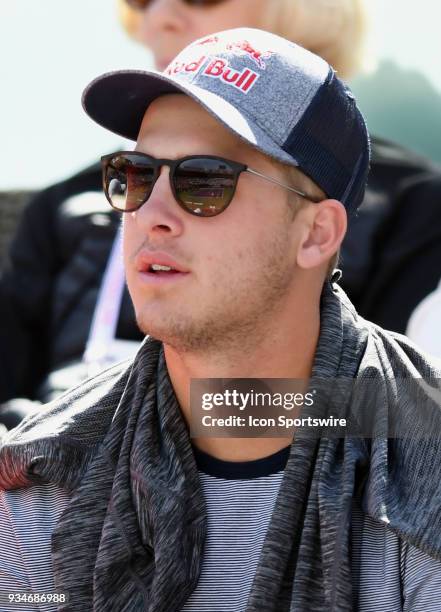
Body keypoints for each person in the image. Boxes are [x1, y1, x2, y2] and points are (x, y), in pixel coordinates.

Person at [1, 28, 441, 611]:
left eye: (204, 182)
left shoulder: (419, 469)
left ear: (316, 234)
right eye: (134, 175)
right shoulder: (39, 479)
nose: (151, 214)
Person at [0, 0, 438, 424]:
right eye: (132, 175)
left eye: (207, 179)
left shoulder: (411, 203)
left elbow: (415, 413)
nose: (161, 18)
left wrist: (92, 424)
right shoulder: (65, 205)